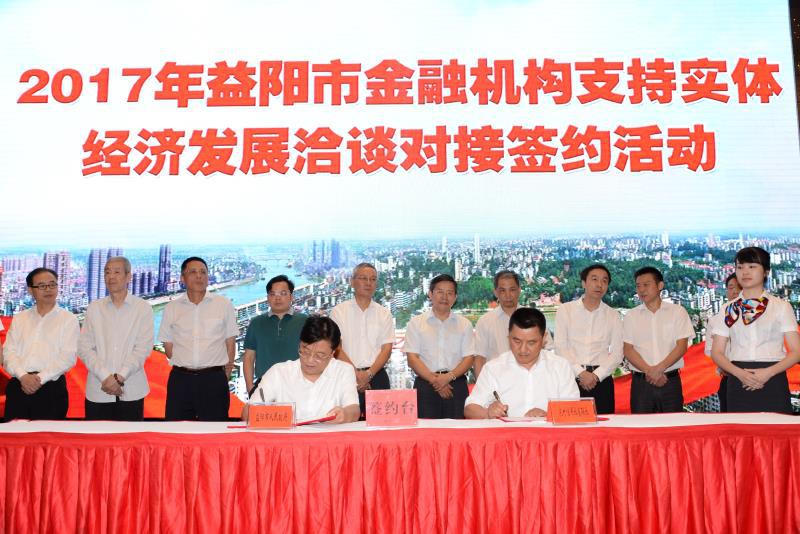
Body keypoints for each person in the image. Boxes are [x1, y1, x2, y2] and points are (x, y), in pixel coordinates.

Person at [710, 247, 800, 414]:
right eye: (740, 267)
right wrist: (740, 374)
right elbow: (717, 352)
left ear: (766, 272)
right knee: (740, 430)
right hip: (738, 379)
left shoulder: (781, 306)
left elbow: (796, 352)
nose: (745, 272)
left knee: (775, 429)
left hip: (773, 378)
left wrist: (768, 373)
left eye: (752, 266)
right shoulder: (728, 308)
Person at [158, 257, 238, 421]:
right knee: (177, 429)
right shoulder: (172, 308)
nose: (199, 276)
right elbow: (168, 346)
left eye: (203, 272)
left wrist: (225, 375)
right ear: (183, 278)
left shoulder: (223, 305)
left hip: (213, 380)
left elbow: (230, 344)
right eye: (193, 272)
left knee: (214, 430)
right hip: (181, 380)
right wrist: (186, 363)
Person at [465, 307, 579, 418]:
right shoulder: (493, 368)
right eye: (517, 341)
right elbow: (470, 408)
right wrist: (488, 413)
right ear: (508, 336)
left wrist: (549, 415)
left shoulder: (560, 367)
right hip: (507, 431)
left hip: (547, 430)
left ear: (544, 338)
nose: (523, 349)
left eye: (531, 342)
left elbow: (575, 409)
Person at [243, 315, 359, 424]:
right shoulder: (279, 372)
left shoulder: (343, 371)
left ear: (333, 353)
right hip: (287, 438)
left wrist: (344, 414)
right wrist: (256, 412)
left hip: (328, 438)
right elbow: (247, 414)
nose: (310, 360)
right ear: (299, 344)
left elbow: (354, 410)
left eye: (319, 355)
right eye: (305, 351)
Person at [78, 256, 153, 421]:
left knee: (130, 436)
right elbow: (84, 347)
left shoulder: (142, 308)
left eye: (117, 272)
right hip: (99, 389)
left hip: (131, 389)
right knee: (97, 436)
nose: (111, 276)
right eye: (107, 272)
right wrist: (105, 376)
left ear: (128, 276)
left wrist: (119, 378)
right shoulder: (94, 308)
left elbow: (143, 349)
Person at [3, 268, 78, 420]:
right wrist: (23, 376)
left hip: (51, 389)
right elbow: (8, 352)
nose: (48, 289)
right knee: (16, 433)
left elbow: (68, 357)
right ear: (30, 290)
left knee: (47, 434)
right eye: (42, 286)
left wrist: (39, 379)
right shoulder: (20, 318)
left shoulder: (68, 319)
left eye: (52, 284)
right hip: (19, 386)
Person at [623, 266, 694, 413]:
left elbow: (681, 346)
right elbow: (628, 349)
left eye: (646, 285)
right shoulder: (631, 316)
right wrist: (650, 371)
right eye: (638, 286)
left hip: (670, 381)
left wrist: (660, 369)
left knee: (672, 424)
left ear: (660, 285)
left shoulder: (677, 312)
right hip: (641, 384)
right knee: (641, 425)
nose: (641, 290)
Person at [554, 264, 622, 414]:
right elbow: (560, 347)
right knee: (570, 424)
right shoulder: (566, 310)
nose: (599, 284)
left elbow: (618, 353)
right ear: (584, 283)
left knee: (603, 425)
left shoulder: (613, 315)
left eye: (604, 281)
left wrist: (596, 376)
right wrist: (580, 373)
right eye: (594, 279)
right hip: (571, 379)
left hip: (601, 381)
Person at [404, 274, 474, 419]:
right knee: (426, 430)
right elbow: (412, 358)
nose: (444, 297)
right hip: (425, 385)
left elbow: (468, 358)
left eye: (449, 293)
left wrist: (448, 377)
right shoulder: (416, 323)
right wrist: (435, 380)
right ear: (430, 294)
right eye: (440, 292)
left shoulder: (465, 324)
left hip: (456, 385)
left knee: (457, 430)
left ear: (455, 297)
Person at [330, 263, 394, 417]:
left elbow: (386, 349)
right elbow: (336, 348)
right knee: (348, 424)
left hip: (377, 376)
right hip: (346, 376)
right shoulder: (339, 312)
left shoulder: (384, 313)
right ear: (352, 282)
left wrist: (369, 374)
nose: (368, 283)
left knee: (381, 425)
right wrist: (356, 374)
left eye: (373, 279)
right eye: (363, 278)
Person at [474, 270, 554, 378]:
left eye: (512, 290)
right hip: (497, 380)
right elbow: (479, 358)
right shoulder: (485, 321)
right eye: (502, 290)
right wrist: (482, 385)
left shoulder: (534, 318)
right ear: (495, 292)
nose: (508, 295)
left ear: (519, 290)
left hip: (531, 378)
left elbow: (548, 350)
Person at [242, 275, 307, 396]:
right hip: (264, 385)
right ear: (268, 298)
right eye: (273, 294)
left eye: (283, 293)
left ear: (291, 296)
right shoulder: (256, 323)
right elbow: (249, 357)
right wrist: (250, 388)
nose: (277, 298)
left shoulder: (305, 321)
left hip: (298, 385)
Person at [703, 273, 742, 412]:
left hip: (753, 375)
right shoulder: (715, 320)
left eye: (739, 287)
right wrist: (723, 364)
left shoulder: (756, 318)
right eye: (731, 287)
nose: (735, 291)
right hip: (728, 378)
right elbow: (709, 350)